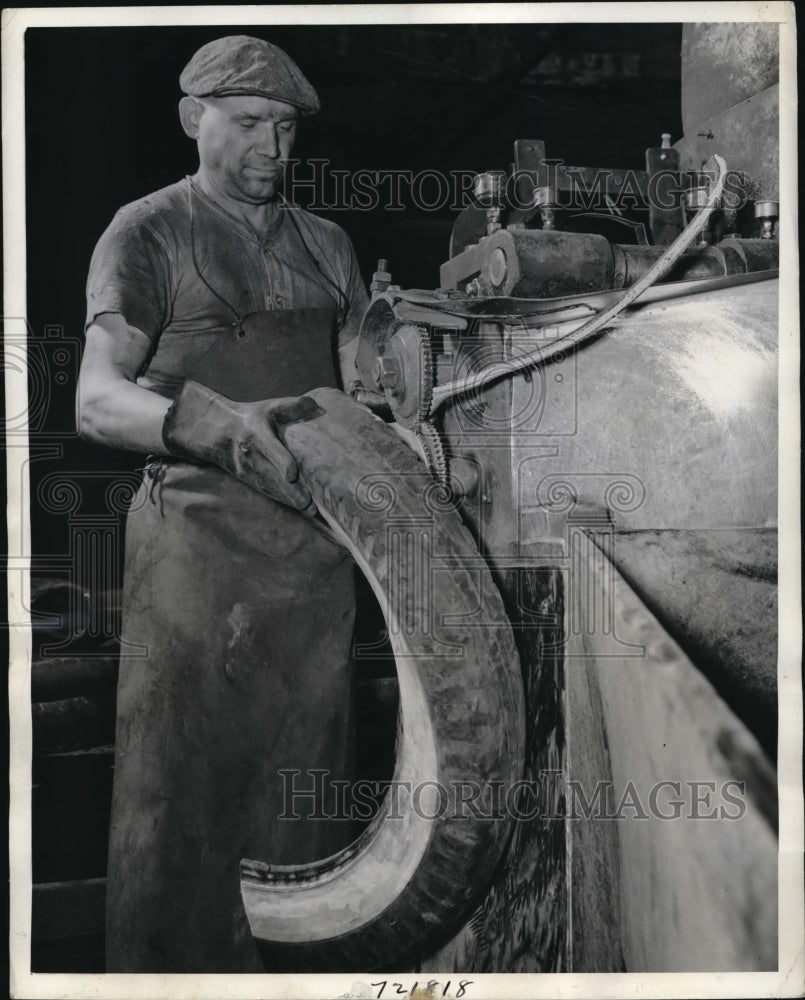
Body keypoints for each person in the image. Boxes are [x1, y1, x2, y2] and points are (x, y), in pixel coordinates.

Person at [76, 35, 370, 973]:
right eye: (247, 124)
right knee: (180, 808)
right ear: (189, 120)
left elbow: (367, 389)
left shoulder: (328, 245)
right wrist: (214, 427)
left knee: (306, 813)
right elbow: (95, 398)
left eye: (283, 129)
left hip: (315, 566)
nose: (271, 149)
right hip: (195, 560)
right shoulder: (149, 229)